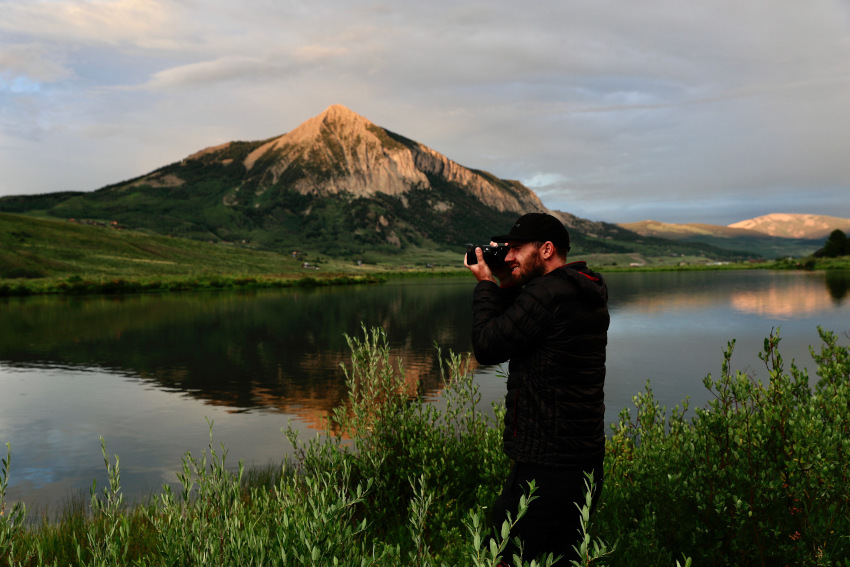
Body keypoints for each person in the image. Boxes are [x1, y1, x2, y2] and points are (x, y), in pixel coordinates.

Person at [464, 212, 609, 564]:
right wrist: (506, 280)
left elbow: (487, 345)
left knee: (502, 555)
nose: (509, 256)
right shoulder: (580, 287)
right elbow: (523, 325)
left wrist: (485, 283)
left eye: (516, 249)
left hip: (545, 464)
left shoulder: (548, 294)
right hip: (582, 462)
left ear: (546, 249)